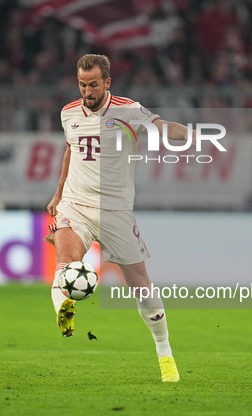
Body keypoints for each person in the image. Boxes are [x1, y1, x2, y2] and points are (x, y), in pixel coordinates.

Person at [44, 54, 190, 383]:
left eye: (93, 84)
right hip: (75, 203)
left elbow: (161, 126)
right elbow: (70, 149)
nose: (87, 91)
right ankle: (64, 310)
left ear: (107, 82)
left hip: (116, 210)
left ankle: (164, 353)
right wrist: (57, 194)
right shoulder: (69, 113)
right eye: (82, 84)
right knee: (66, 261)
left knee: (141, 286)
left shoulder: (128, 110)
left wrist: (187, 134)